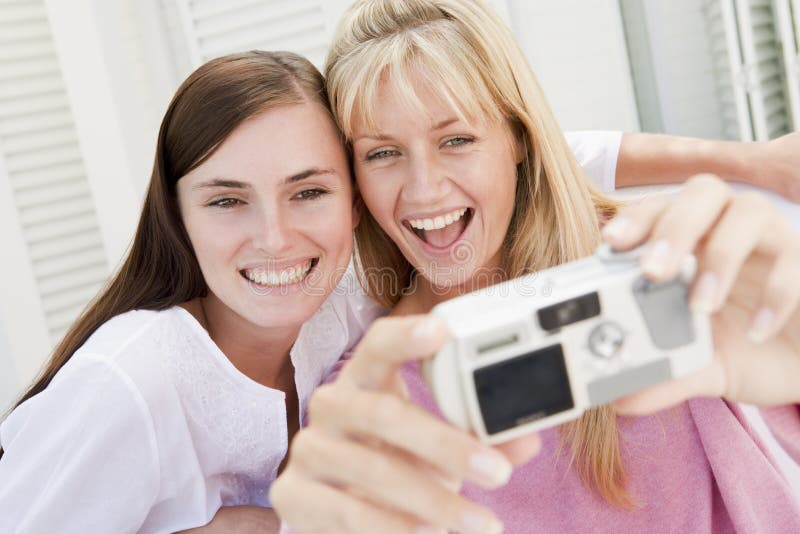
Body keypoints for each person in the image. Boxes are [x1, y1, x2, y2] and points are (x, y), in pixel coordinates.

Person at [270, 1, 800, 533]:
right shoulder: (372, 404)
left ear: (518, 138)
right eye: (382, 153)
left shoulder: (664, 269)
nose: (425, 188)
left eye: (457, 140)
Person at [0, 50, 381, 533]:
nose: (275, 238)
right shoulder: (125, 382)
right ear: (179, 220)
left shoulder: (356, 325)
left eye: (308, 193)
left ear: (355, 202)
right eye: (227, 200)